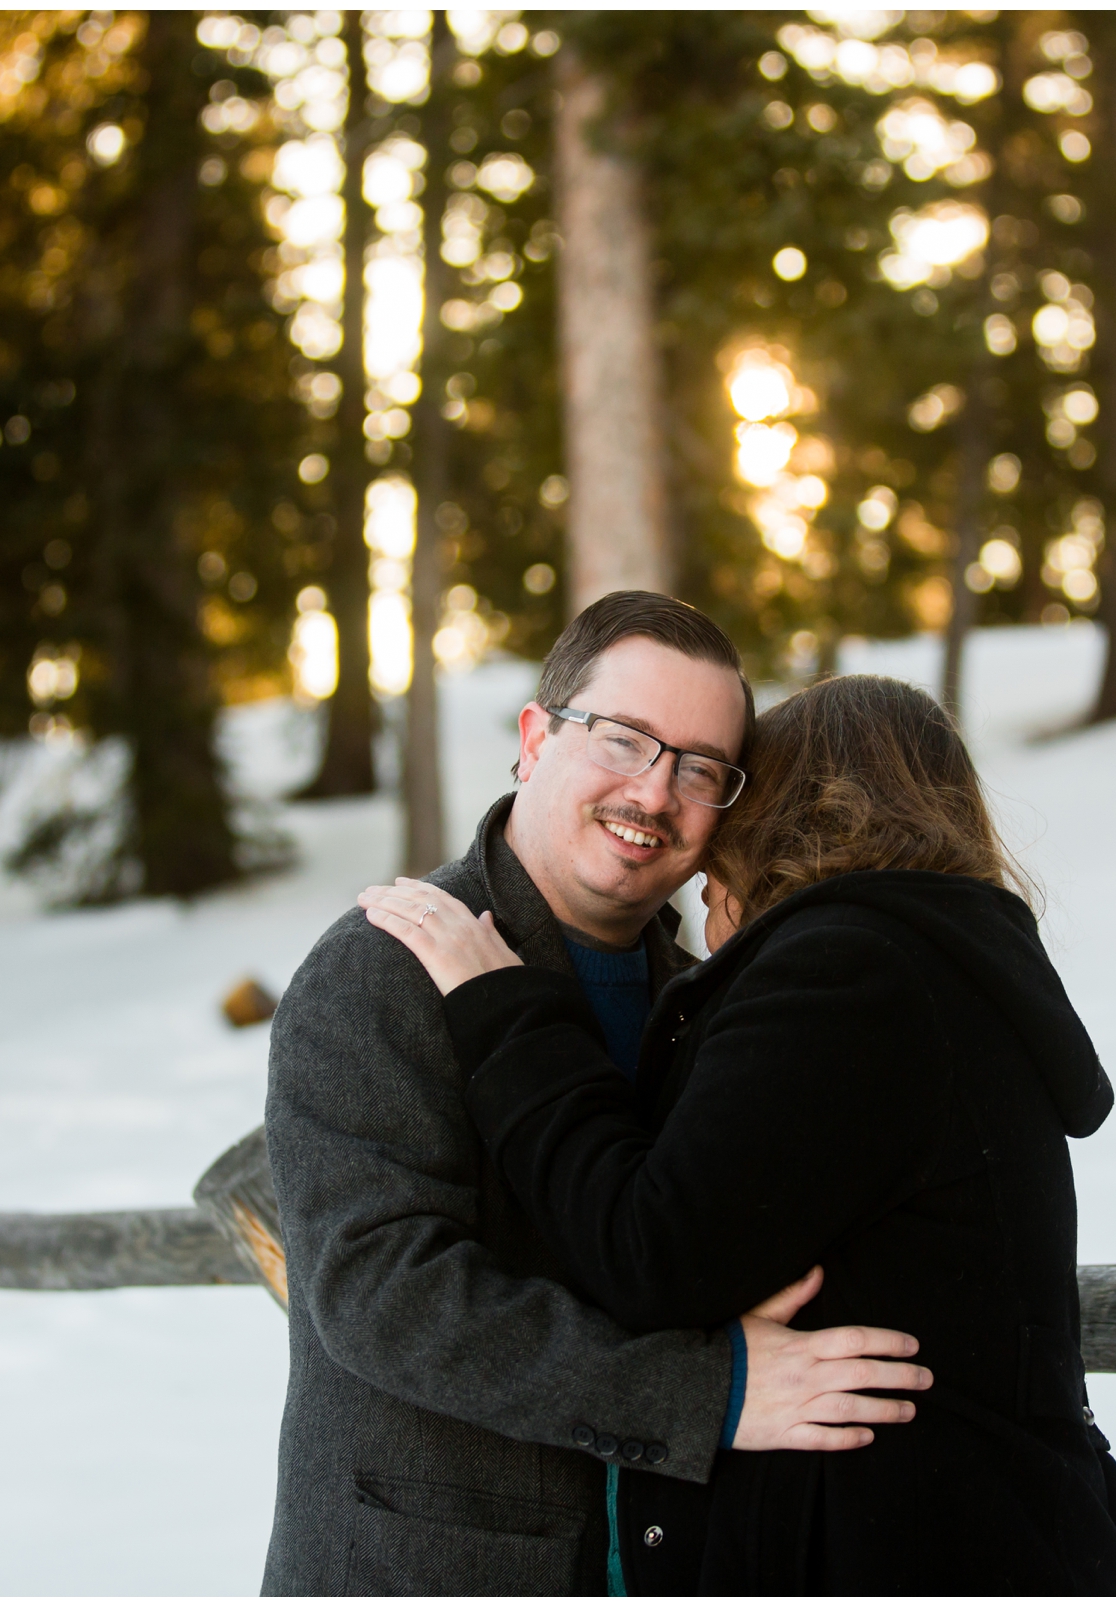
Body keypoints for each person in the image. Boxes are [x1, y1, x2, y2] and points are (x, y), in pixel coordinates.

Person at [361, 673, 1116, 1595]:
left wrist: (505, 1016)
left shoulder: (852, 972)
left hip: (902, 1541)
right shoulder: (937, 963)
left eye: (733, 789)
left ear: (783, 811)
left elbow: (649, 1250)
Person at [263, 595, 931, 1595]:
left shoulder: (707, 994)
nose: (655, 791)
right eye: (622, 738)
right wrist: (704, 1387)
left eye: (701, 766)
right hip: (442, 1564)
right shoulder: (385, 966)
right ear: (535, 739)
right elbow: (384, 1295)